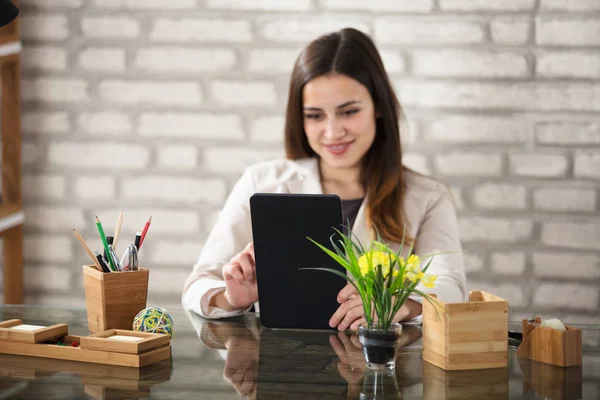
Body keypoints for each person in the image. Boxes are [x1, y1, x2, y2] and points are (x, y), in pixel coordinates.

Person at [182, 27, 466, 331]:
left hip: (381, 370)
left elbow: (453, 291)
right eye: (315, 116)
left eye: (349, 111)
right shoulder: (261, 182)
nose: (332, 132)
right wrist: (231, 298)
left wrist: (395, 303)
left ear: (379, 107)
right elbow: (198, 284)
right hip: (284, 368)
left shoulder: (427, 196)